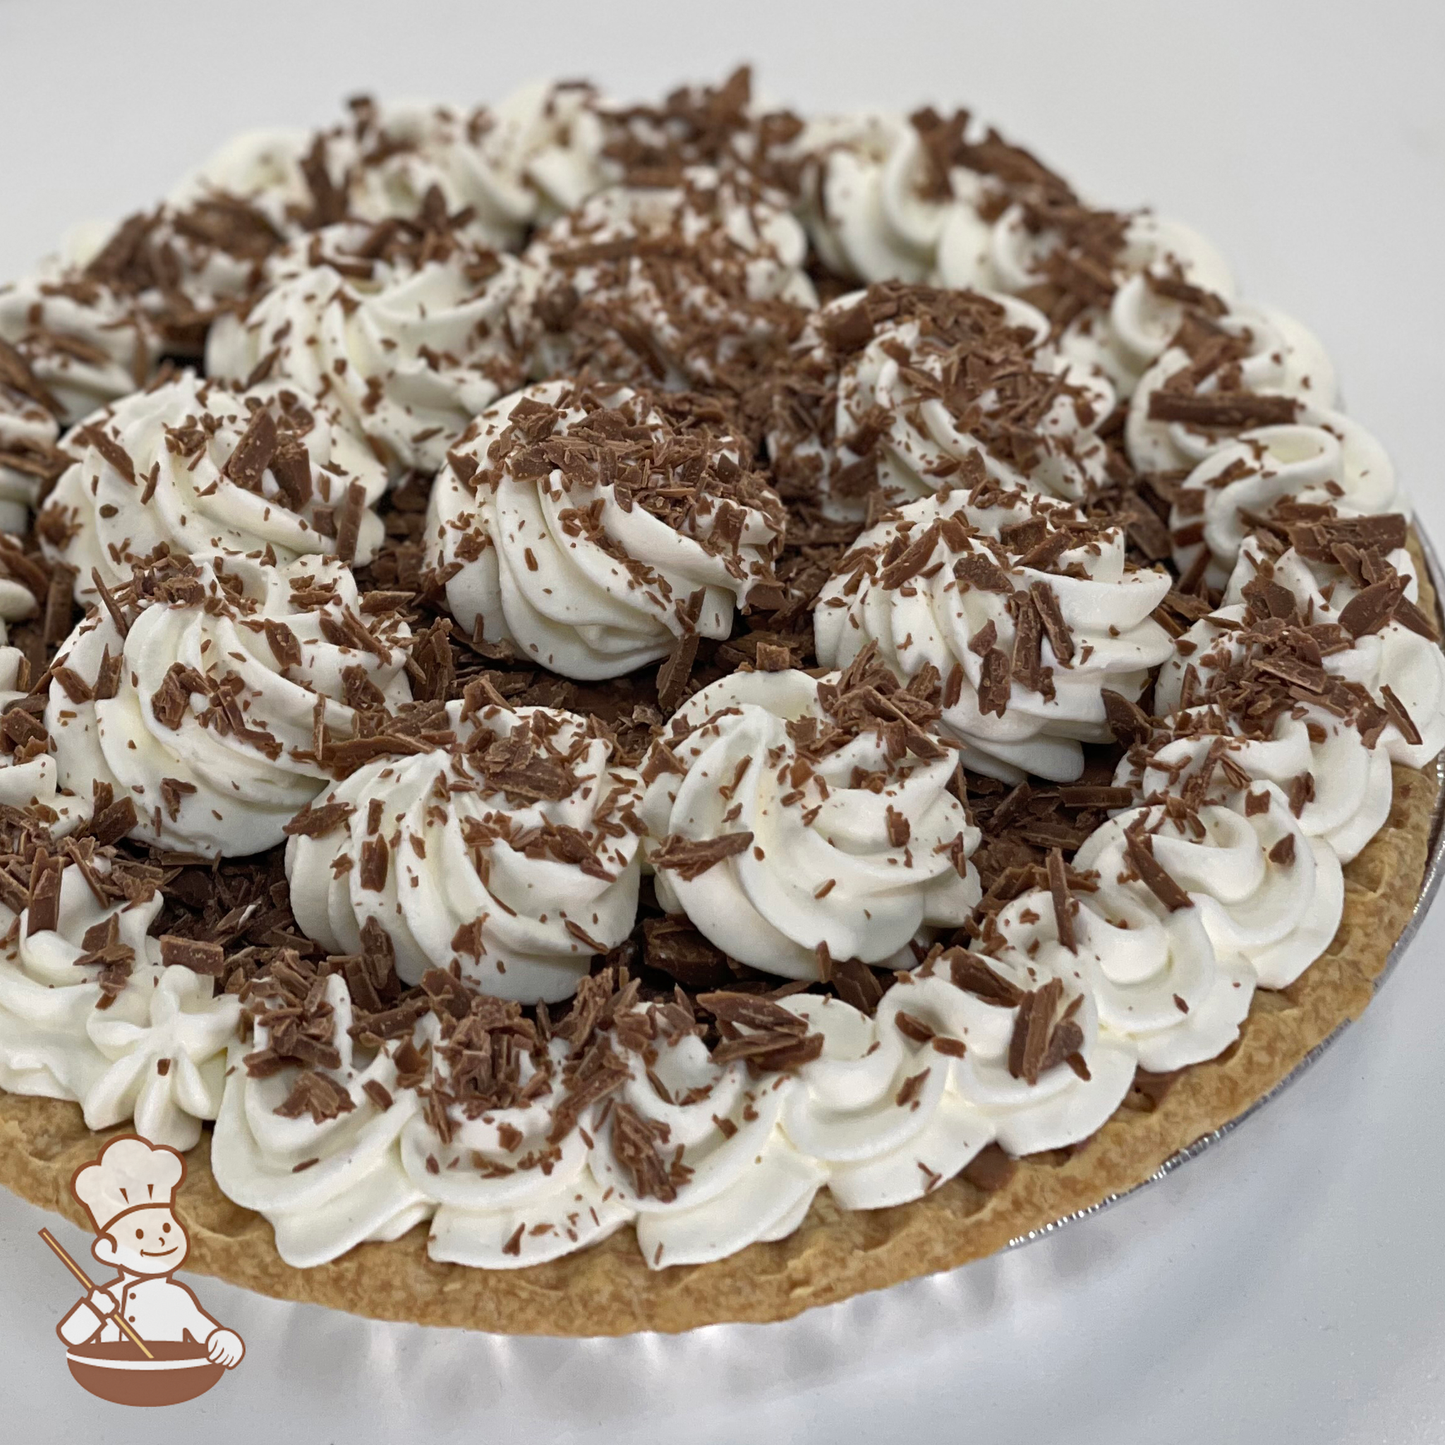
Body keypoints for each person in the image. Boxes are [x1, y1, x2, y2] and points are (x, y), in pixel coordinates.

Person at [55, 1135, 244, 1368]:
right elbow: (72, 1336)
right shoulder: (109, 1298)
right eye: (140, 1235)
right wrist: (94, 1310)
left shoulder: (178, 1298)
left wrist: (223, 1340)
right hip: (110, 1376)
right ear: (110, 1251)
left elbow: (207, 1332)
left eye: (166, 1227)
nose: (160, 1241)